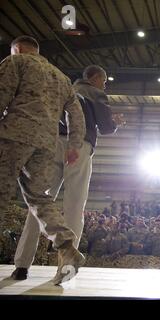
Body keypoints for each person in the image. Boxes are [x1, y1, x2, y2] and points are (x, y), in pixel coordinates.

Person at [0, 36, 86, 284]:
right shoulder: (61, 77)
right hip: (46, 145)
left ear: (18, 49)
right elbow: (76, 114)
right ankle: (67, 246)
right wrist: (74, 144)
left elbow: (2, 93)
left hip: (14, 135)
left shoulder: (17, 62)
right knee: (39, 196)